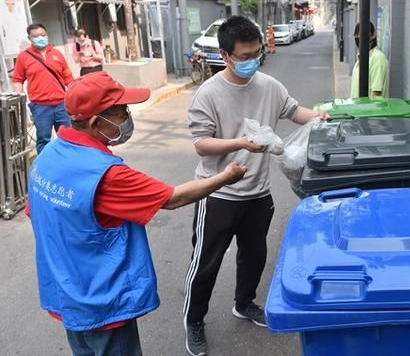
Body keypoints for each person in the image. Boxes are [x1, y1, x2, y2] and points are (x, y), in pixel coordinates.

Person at [26, 71, 247, 356]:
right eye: (122, 113)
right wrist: (225, 177)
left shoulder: (48, 157)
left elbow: (38, 215)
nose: (128, 118)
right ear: (96, 122)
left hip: (67, 293)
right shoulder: (106, 175)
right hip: (101, 301)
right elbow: (173, 198)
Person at [184, 16, 326, 356]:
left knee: (254, 256)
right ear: (226, 55)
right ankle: (194, 320)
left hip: (257, 193)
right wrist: (241, 143)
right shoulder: (209, 93)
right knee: (206, 262)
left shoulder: (269, 86)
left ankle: (244, 303)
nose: (252, 60)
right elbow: (201, 143)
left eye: (257, 53)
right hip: (217, 192)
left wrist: (322, 118)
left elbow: (294, 111)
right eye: (244, 55)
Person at [12, 23, 74, 153]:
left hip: (62, 105)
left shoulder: (57, 53)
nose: (40, 38)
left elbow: (68, 77)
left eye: (43, 35)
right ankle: (46, 167)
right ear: (29, 38)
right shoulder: (24, 57)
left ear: (47, 35)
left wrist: (75, 97)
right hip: (40, 107)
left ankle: (69, 163)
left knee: (68, 138)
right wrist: (18, 102)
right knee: (43, 140)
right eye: (36, 36)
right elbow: (17, 79)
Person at [350, 21, 390, 98]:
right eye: (356, 35)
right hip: (357, 108)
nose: (358, 37)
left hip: (367, 109)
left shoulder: (378, 58)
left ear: (373, 35)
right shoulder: (363, 57)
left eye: (362, 35)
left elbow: (375, 94)